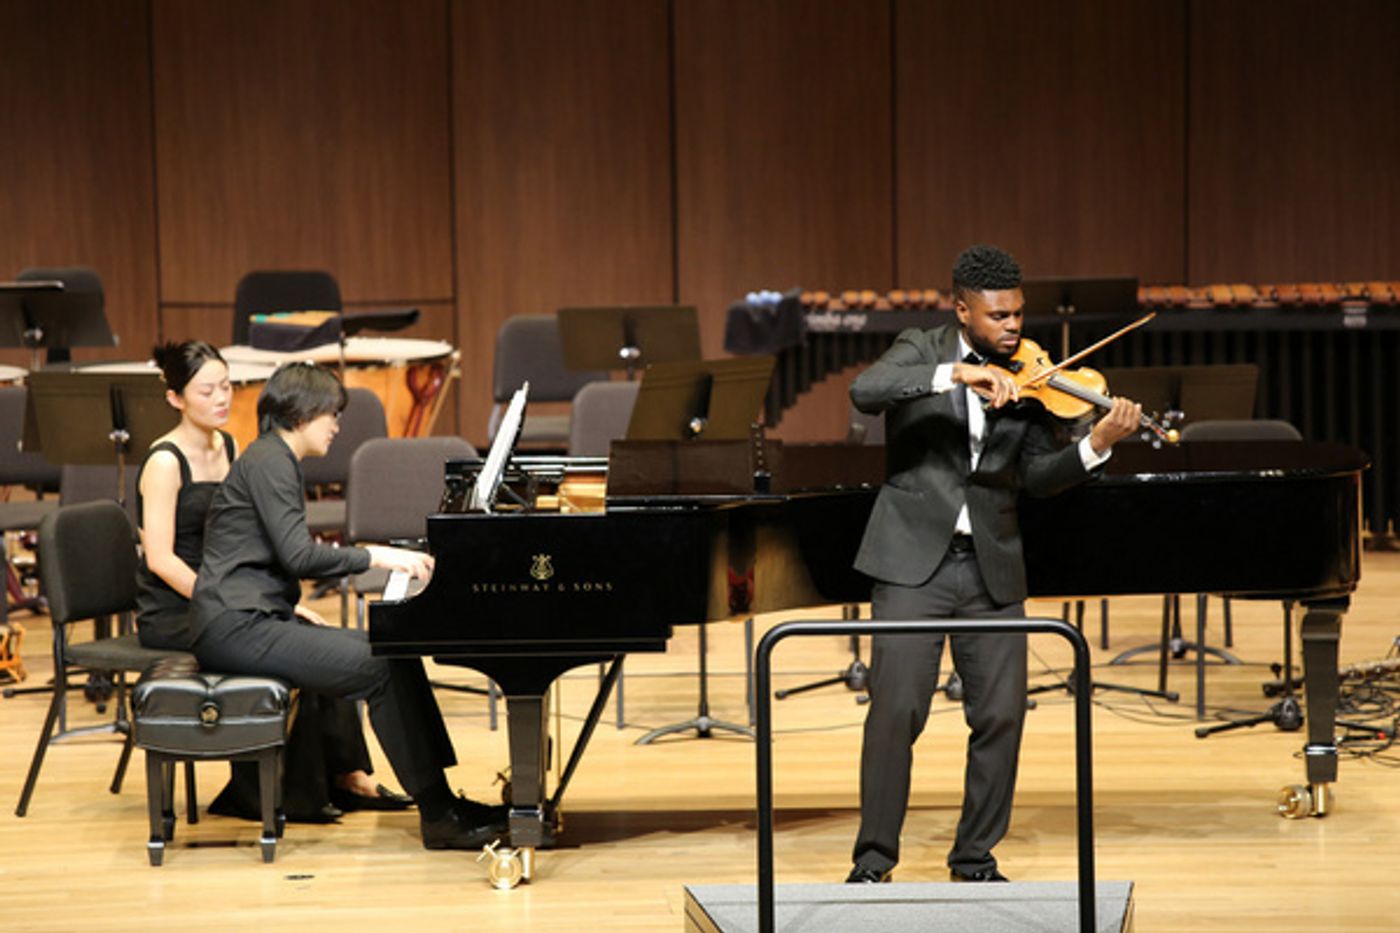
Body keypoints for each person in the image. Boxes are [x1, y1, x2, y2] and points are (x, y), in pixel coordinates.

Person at [845, 245, 1141, 884]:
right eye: (998, 316)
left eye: (1018, 315)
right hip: (911, 563)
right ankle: (873, 861)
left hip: (990, 565)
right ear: (962, 309)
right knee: (897, 711)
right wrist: (957, 374)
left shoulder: (1033, 380)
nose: (1013, 327)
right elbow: (865, 391)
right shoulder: (921, 348)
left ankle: (974, 858)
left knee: (1002, 714)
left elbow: (1036, 477)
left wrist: (1094, 444)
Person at [189, 361, 504, 849]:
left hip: (249, 618)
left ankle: (444, 799)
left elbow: (260, 556)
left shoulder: (272, 458)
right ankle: (439, 813)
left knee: (392, 649)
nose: (336, 425)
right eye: (331, 414)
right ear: (302, 412)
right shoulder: (272, 461)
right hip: (235, 628)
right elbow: (298, 555)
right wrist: (379, 554)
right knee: (377, 666)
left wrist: (286, 605)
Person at [135, 341, 412, 821]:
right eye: (207, 390)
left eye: (226, 386)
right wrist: (238, 602)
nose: (222, 398)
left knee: (315, 637)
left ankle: (346, 777)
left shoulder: (234, 448)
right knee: (288, 644)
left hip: (230, 590)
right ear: (176, 398)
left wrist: (270, 603)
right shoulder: (164, 462)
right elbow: (160, 560)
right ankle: (291, 790)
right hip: (180, 605)